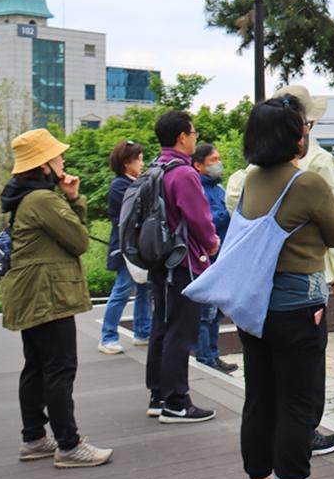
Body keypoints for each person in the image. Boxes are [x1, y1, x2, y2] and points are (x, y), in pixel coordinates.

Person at [235, 95, 334, 479]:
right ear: (291, 136)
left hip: (255, 307)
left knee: (260, 398)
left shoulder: (251, 181)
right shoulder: (305, 183)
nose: (306, 134)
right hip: (298, 308)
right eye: (303, 128)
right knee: (298, 402)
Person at [0, 128, 113, 467]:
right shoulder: (43, 200)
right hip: (47, 293)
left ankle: (34, 438)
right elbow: (78, 241)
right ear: (44, 164)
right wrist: (75, 199)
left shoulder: (24, 198)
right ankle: (69, 444)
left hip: (29, 292)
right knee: (60, 367)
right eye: (57, 155)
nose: (63, 158)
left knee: (36, 365)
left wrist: (69, 196)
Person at [145, 110, 220, 424]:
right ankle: (177, 401)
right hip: (184, 262)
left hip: (159, 260)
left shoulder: (155, 167)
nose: (196, 138)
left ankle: (158, 394)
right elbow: (199, 220)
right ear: (182, 137)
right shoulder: (185, 173)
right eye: (194, 133)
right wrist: (212, 243)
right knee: (182, 330)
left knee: (161, 325)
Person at [98, 140, 152, 354]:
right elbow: (137, 211)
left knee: (144, 289)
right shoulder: (120, 185)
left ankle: (142, 332)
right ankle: (107, 337)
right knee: (122, 290)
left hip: (138, 247)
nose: (142, 163)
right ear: (126, 162)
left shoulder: (134, 182)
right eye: (138, 159)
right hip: (126, 247)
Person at [191, 142, 237, 374]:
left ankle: (212, 354)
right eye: (213, 160)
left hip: (223, 258)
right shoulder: (196, 188)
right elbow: (206, 220)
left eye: (219, 158)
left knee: (216, 312)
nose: (218, 164)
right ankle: (205, 357)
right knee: (205, 313)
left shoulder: (218, 189)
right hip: (206, 258)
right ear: (199, 165)